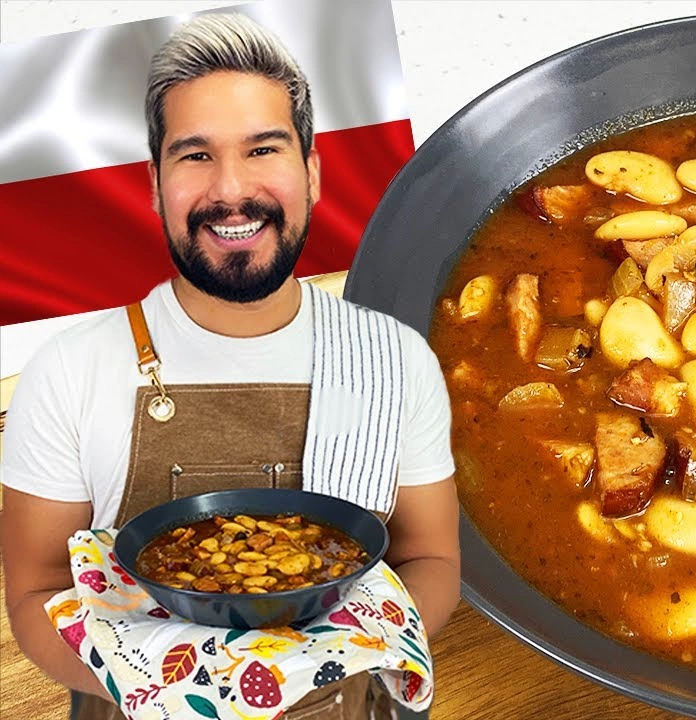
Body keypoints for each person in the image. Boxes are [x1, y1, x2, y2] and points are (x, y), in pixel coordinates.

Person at [0, 12, 458, 720]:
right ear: (154, 183)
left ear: (310, 171)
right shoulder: (71, 368)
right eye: (195, 155)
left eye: (263, 149)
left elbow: (431, 562)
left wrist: (325, 665)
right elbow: (35, 594)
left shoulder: (396, 359)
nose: (231, 189)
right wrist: (176, 690)